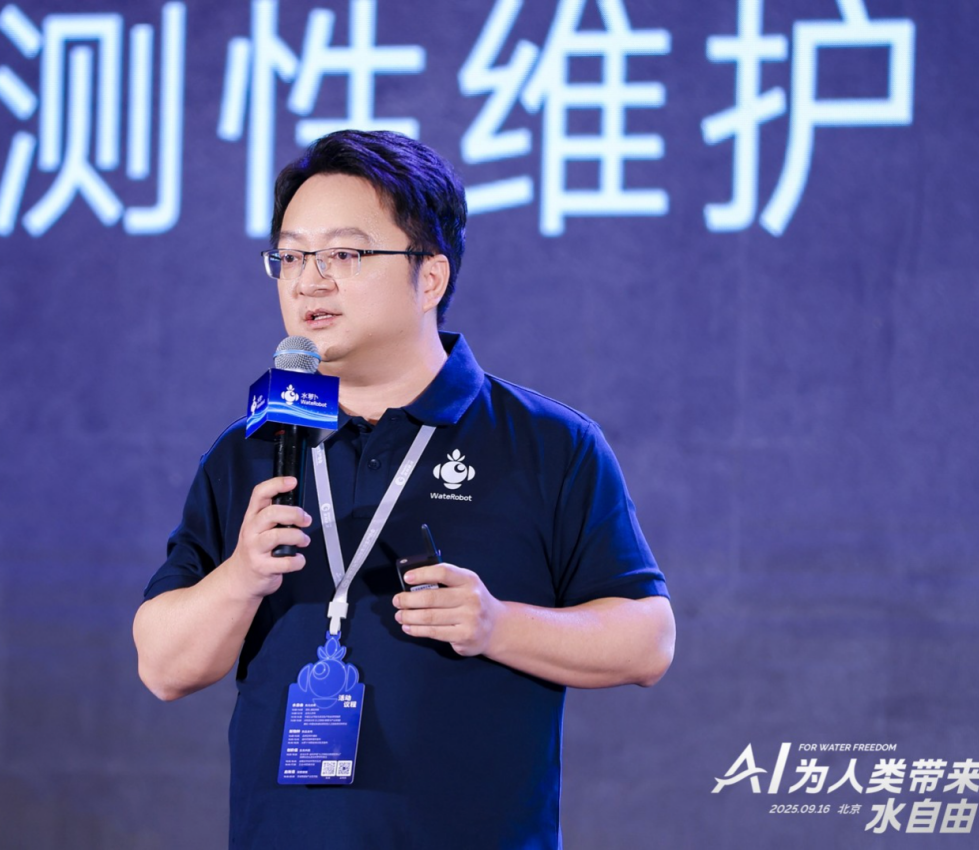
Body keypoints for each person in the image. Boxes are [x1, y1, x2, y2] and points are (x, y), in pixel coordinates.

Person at [133, 129, 674, 849]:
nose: (307, 282)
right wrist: (240, 577)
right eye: (290, 256)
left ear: (430, 279)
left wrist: (496, 625)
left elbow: (646, 640)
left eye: (344, 255)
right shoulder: (249, 450)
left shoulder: (548, 444)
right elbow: (163, 667)